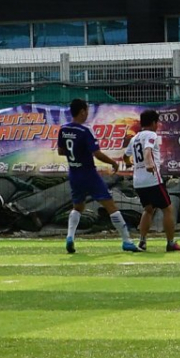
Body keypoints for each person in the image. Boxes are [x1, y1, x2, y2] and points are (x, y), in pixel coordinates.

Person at [58, 98, 140, 253]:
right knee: (111, 206)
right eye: (87, 111)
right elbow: (96, 153)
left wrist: (75, 152)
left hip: (74, 174)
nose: (87, 114)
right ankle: (127, 240)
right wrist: (113, 163)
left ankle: (70, 237)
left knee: (78, 207)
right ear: (82, 111)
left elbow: (61, 151)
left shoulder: (63, 129)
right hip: (89, 173)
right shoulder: (85, 130)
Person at [123, 109, 180, 252]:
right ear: (153, 123)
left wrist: (128, 163)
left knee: (148, 209)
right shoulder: (151, 134)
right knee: (168, 209)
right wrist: (149, 164)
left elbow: (126, 156)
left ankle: (142, 242)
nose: (158, 125)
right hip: (152, 180)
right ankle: (170, 243)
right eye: (157, 122)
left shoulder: (135, 138)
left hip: (138, 182)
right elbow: (147, 151)